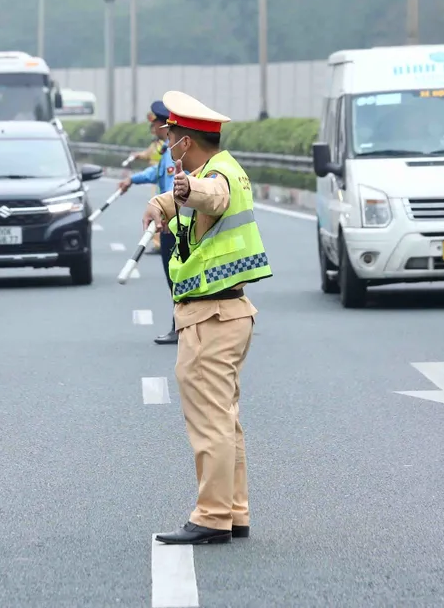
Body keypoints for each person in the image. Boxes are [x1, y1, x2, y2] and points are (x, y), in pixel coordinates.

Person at [142, 90, 273, 546]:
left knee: (211, 422)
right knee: (226, 420)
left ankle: (212, 516)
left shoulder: (213, 178)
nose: (168, 142)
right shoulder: (226, 167)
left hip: (211, 317)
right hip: (228, 312)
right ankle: (234, 511)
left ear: (186, 142)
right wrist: (163, 203)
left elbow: (211, 197)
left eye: (172, 136)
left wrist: (184, 189)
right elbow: (200, 199)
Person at [117, 101, 179, 344]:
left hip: (174, 224)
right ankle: (181, 326)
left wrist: (163, 211)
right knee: (172, 278)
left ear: (163, 123)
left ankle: (181, 327)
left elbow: (175, 188)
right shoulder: (165, 149)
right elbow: (157, 174)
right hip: (167, 221)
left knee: (177, 278)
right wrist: (132, 179)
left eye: (154, 122)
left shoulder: (174, 150)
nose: (151, 126)